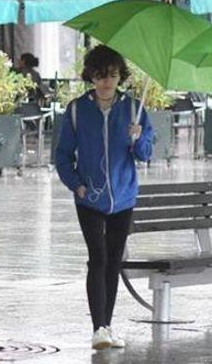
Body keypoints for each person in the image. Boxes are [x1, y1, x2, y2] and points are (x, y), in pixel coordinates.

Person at [54, 45, 154, 350]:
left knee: (113, 262)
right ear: (91, 77)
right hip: (89, 198)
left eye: (111, 75)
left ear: (119, 75)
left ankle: (107, 326)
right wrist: (76, 184)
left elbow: (146, 154)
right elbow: (61, 154)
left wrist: (138, 138)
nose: (106, 81)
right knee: (97, 258)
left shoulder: (134, 109)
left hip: (123, 198)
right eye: (100, 76)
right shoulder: (76, 109)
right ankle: (98, 327)